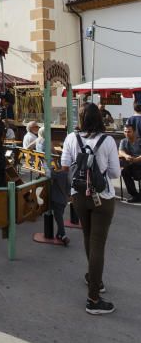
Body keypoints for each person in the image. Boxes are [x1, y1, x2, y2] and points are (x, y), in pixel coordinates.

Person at [61, 102, 120, 315]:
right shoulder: (108, 141)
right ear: (100, 118)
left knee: (88, 238)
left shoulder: (70, 138)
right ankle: (94, 298)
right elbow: (114, 174)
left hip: (79, 196)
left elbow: (65, 166)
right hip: (102, 198)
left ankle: (93, 277)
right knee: (98, 245)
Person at [119, 122, 141, 203]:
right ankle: (135, 195)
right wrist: (126, 156)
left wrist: (137, 159)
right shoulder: (123, 141)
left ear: (134, 132)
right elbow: (120, 151)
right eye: (125, 131)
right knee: (124, 172)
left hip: (139, 163)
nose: (126, 133)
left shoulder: (139, 141)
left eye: (129, 131)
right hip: (132, 164)